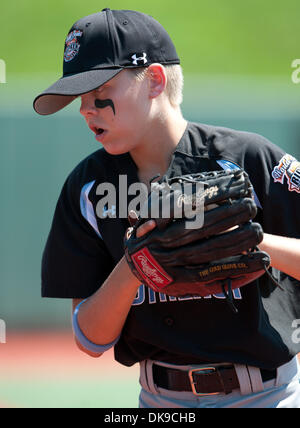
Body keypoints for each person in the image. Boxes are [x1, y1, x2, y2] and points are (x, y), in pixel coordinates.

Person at [33, 8, 300, 408]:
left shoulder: (248, 158)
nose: (86, 108)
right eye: (80, 98)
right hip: (159, 402)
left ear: (155, 80)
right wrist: (134, 264)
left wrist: (248, 243)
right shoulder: (87, 189)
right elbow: (90, 340)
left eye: (99, 90)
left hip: (267, 395)